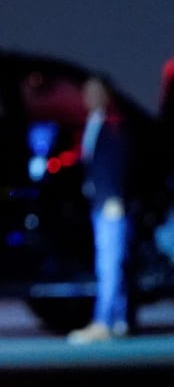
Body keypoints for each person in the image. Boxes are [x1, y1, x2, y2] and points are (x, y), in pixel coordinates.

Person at [67, 75, 133, 344]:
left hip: (110, 204)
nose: (90, 97)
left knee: (109, 264)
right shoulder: (91, 125)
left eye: (96, 92)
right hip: (99, 203)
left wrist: (114, 199)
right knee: (112, 263)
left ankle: (104, 321)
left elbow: (117, 164)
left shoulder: (114, 125)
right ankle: (119, 319)